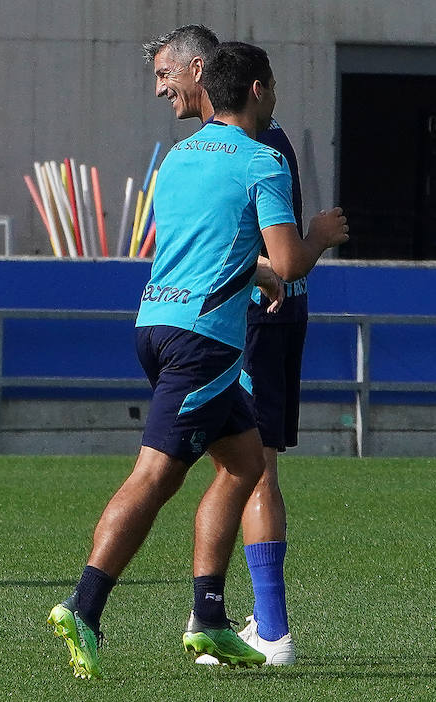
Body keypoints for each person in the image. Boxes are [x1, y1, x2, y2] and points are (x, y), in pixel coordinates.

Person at [46, 41, 348, 679]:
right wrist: (319, 233)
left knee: (242, 464)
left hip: (156, 321)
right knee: (156, 475)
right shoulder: (263, 161)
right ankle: (84, 605)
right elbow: (291, 266)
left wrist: (250, 273)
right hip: (204, 341)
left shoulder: (179, 157)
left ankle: (208, 617)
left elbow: (207, 244)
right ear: (260, 89)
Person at [143, 24, 309, 665]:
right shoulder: (207, 151)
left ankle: (272, 629)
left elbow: (280, 256)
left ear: (200, 72)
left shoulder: (253, 142)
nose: (162, 89)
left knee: (253, 464)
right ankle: (232, 618)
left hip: (248, 320)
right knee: (239, 465)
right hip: (228, 317)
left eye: (166, 75)